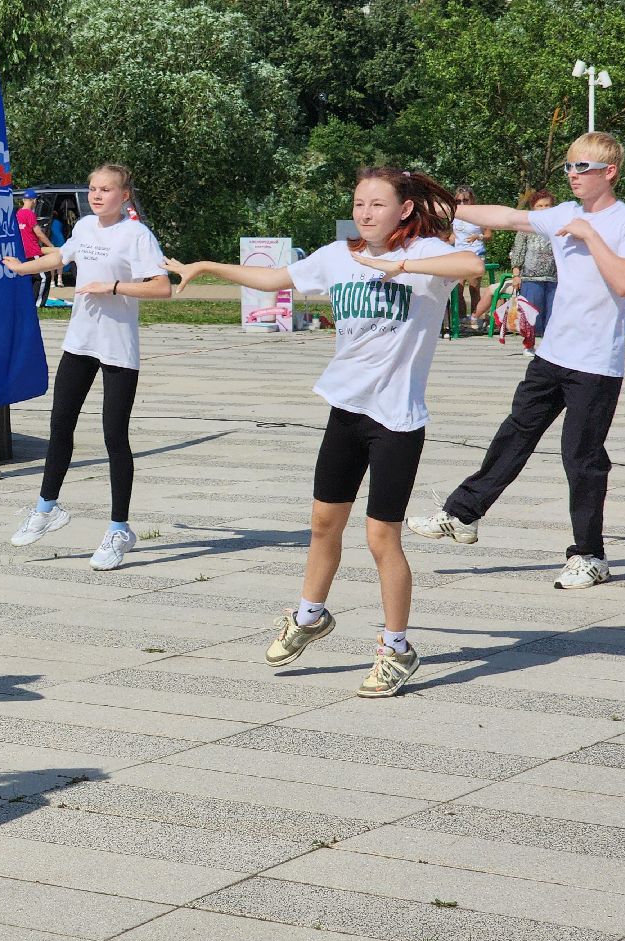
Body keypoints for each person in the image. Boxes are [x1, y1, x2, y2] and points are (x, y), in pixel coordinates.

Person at [166, 168, 482, 697]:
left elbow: (471, 263)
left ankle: (397, 649)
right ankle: (310, 615)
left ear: (404, 209)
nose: (365, 212)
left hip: (396, 420)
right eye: (359, 203)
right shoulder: (338, 256)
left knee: (382, 537)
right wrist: (205, 265)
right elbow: (274, 279)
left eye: (377, 204)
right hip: (346, 411)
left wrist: (398, 264)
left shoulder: (426, 255)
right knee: (321, 523)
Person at [409, 132, 625, 590]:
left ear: (610, 172)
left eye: (583, 168)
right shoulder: (562, 213)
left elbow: (624, 283)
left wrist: (588, 235)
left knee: (581, 458)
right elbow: (506, 217)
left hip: (596, 364)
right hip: (551, 355)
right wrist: (444, 207)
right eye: (569, 167)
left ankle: (590, 556)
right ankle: (463, 515)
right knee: (515, 434)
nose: (573, 176)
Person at [2, 164, 171, 571]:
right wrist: (24, 268)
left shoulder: (136, 234)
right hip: (80, 342)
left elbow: (161, 287)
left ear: (124, 195)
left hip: (118, 349)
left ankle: (118, 530)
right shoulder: (85, 228)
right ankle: (47, 508)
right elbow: (62, 256)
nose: (97, 196)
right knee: (60, 424)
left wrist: (112, 287)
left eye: (106, 190)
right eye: (93, 189)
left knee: (115, 437)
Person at [508, 190, 558, 351]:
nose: (544, 209)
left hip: (554, 278)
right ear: (533, 208)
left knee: (553, 314)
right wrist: (516, 275)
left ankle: (550, 349)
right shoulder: (525, 227)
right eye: (539, 206)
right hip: (531, 277)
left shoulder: (559, 226)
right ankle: (528, 345)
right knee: (530, 314)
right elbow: (518, 251)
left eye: (547, 205)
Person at [449, 186, 489, 324]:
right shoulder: (455, 216)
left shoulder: (479, 215)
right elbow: (454, 236)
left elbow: (489, 235)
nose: (462, 204)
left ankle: (475, 317)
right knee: (457, 288)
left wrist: (478, 236)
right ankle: (461, 318)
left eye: (465, 200)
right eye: (458, 201)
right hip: (459, 254)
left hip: (476, 253)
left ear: (472, 200)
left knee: (473, 288)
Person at [16, 189, 54, 304]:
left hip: (23, 251)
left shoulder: (18, 213)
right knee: (43, 277)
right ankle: (38, 303)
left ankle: (28, 301)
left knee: (29, 277)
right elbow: (38, 233)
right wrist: (51, 246)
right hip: (33, 250)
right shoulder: (29, 214)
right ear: (34, 201)